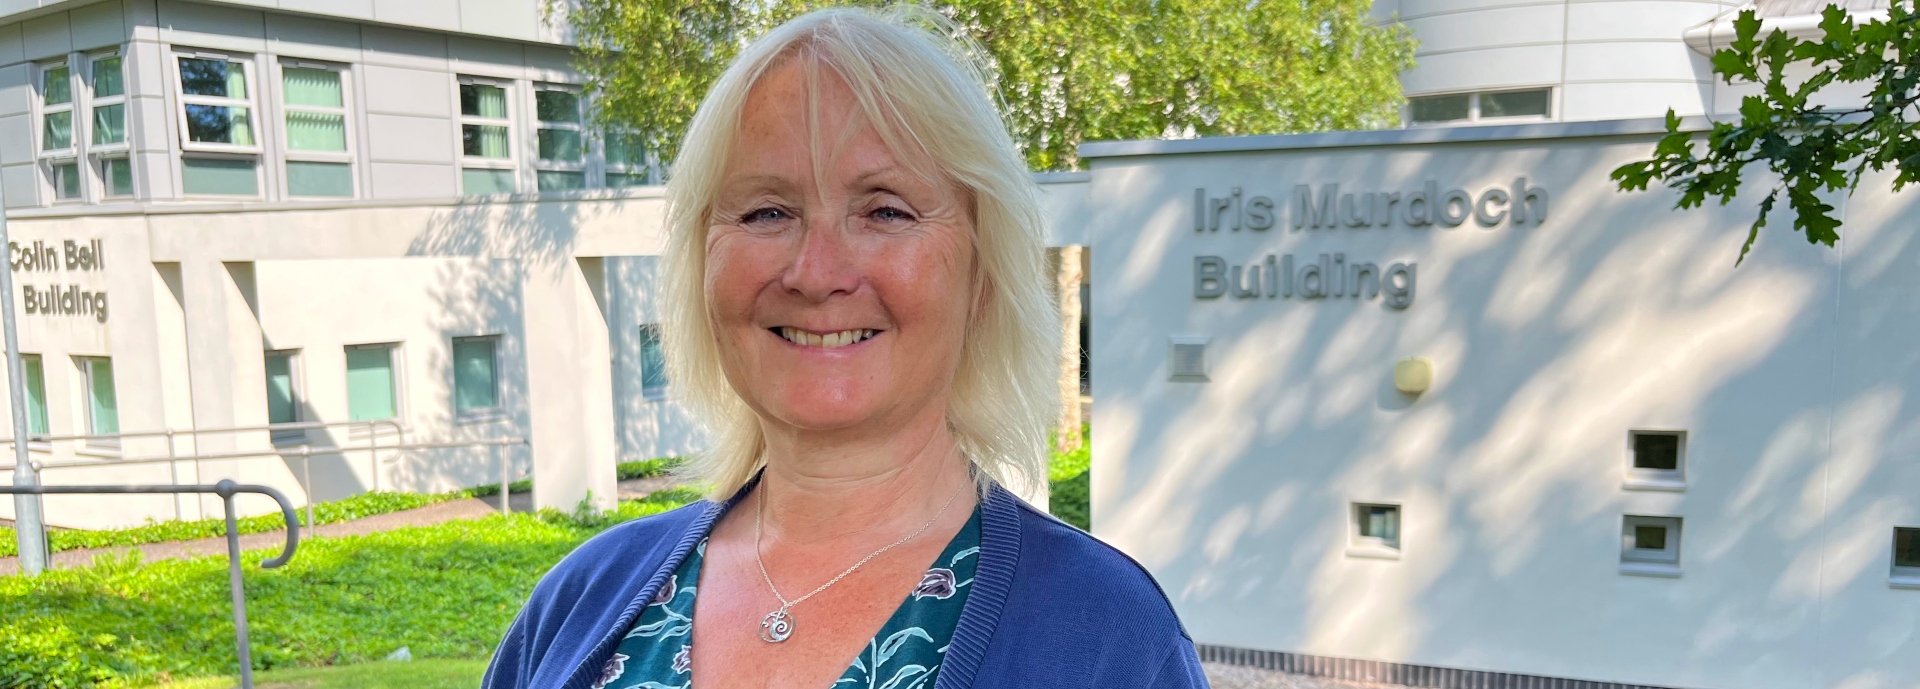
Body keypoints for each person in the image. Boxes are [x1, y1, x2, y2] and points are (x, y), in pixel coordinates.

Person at [482, 7, 1206, 688]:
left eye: (885, 210)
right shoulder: (575, 603)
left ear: (981, 273)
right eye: (768, 211)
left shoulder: (1111, 640)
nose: (817, 272)